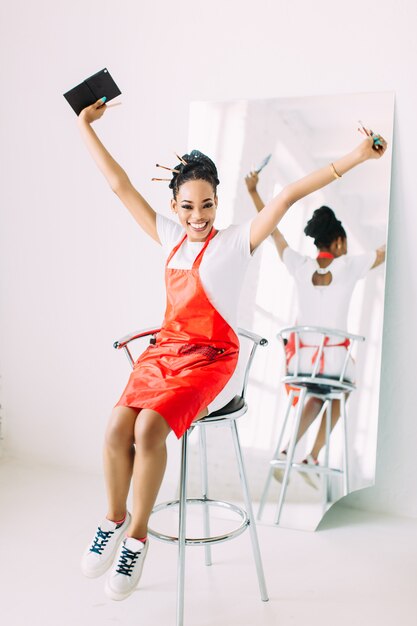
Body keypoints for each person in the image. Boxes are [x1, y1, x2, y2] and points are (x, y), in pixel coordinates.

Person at [76, 96, 387, 600]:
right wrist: (84, 125)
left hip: (212, 359)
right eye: (187, 206)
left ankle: (137, 539)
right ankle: (114, 520)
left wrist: (357, 156)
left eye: (207, 205)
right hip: (165, 352)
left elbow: (285, 197)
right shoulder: (169, 237)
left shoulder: (237, 240)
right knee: (116, 428)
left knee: (149, 429)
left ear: (218, 202)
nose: (198, 216)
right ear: (174, 205)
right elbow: (119, 185)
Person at [245, 161, 386, 487]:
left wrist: (253, 192)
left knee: (318, 393)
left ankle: (288, 450)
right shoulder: (349, 266)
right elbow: (382, 252)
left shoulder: (298, 264)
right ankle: (312, 455)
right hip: (335, 365)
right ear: (337, 242)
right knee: (341, 390)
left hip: (302, 362)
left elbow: (272, 231)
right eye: (345, 243)